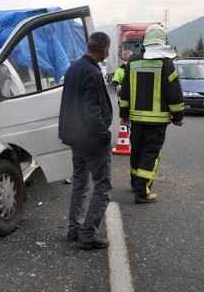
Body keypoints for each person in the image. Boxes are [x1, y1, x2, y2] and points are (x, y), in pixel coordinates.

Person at [58, 32, 113, 250]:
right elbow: (93, 111)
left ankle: (74, 229)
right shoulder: (92, 72)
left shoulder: (74, 68)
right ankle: (88, 234)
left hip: (75, 138)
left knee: (80, 185)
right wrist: (104, 136)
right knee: (103, 187)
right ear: (105, 49)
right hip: (91, 140)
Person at [118, 24, 184, 204]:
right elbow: (174, 92)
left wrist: (124, 113)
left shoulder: (133, 61)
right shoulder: (165, 63)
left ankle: (135, 183)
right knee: (150, 154)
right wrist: (178, 117)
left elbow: (125, 91)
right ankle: (142, 192)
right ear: (163, 42)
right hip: (157, 121)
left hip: (136, 119)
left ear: (145, 41)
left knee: (137, 152)